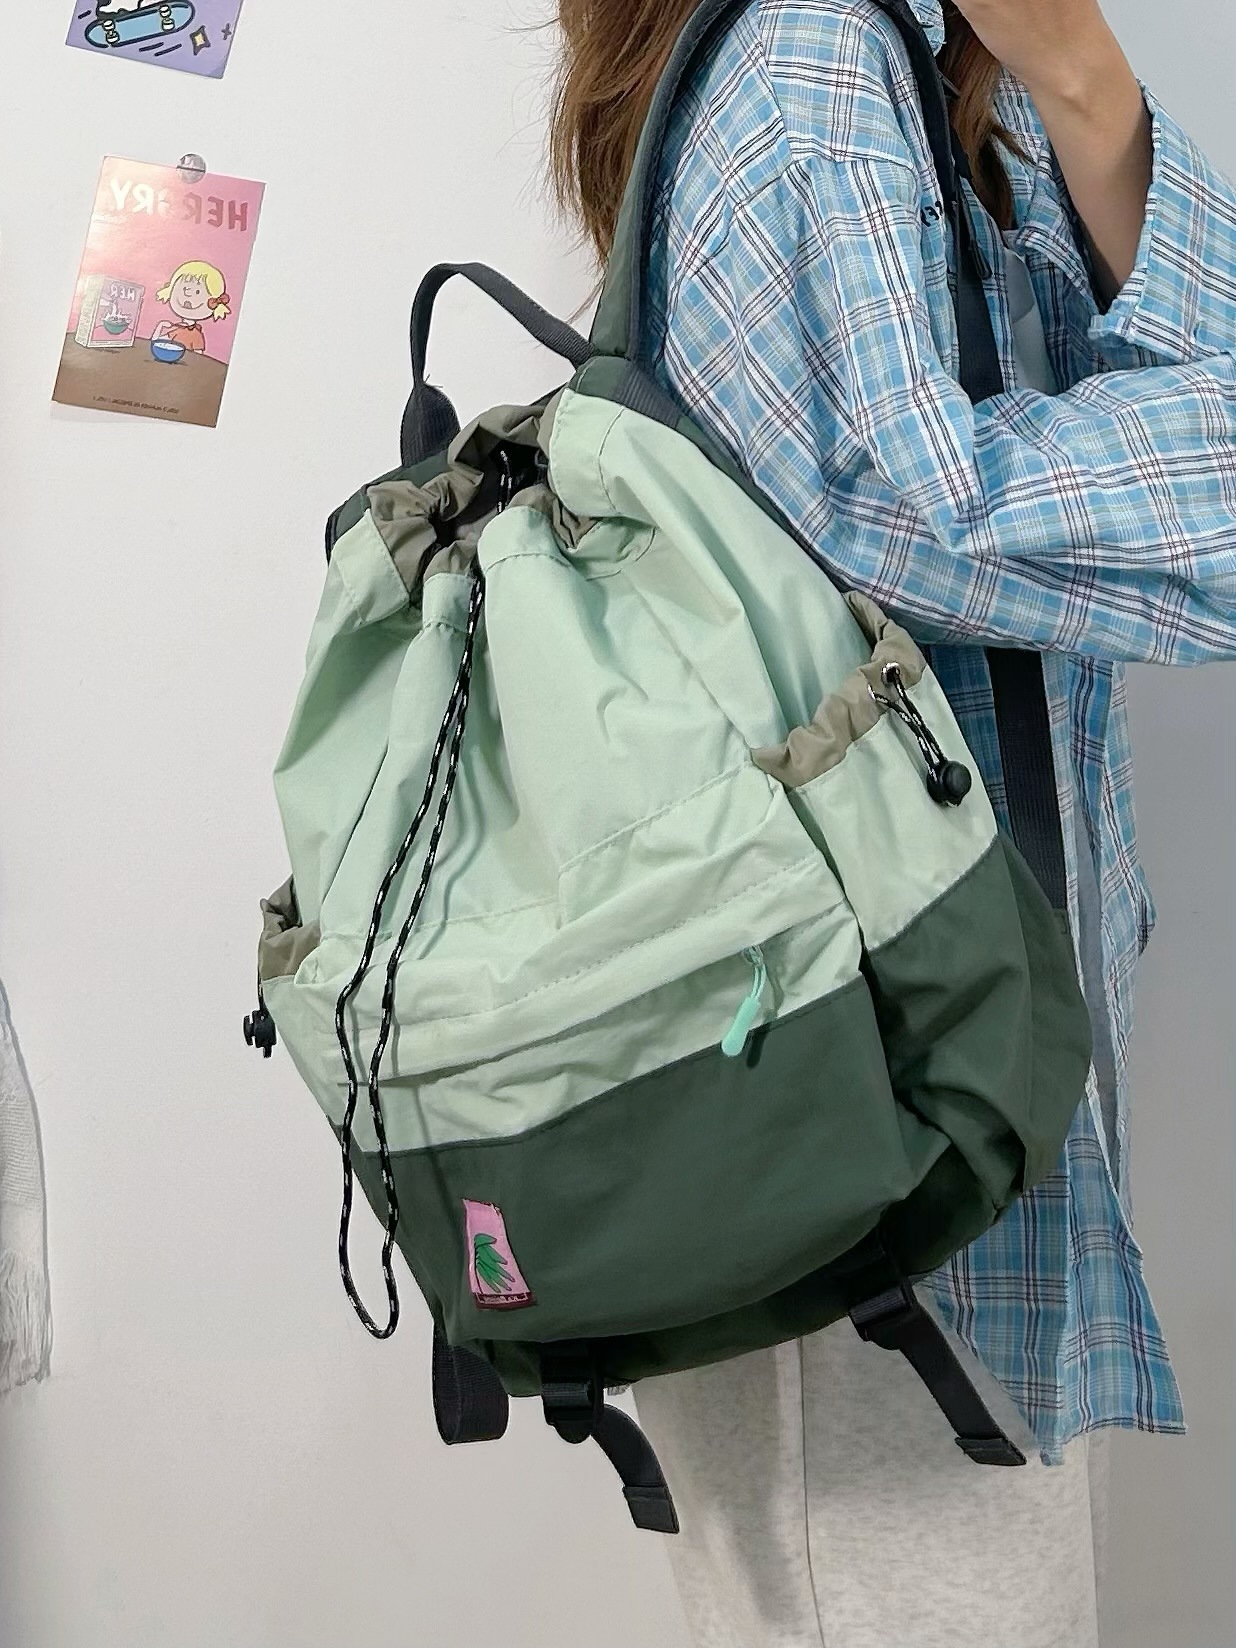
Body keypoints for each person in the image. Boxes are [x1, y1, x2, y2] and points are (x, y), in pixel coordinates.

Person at [548, 0, 1236, 1643]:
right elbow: (904, 498)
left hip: (884, 1073)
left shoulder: (919, 72)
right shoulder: (809, 51)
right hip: (866, 1108)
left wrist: (1087, 86)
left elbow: (1135, 371)